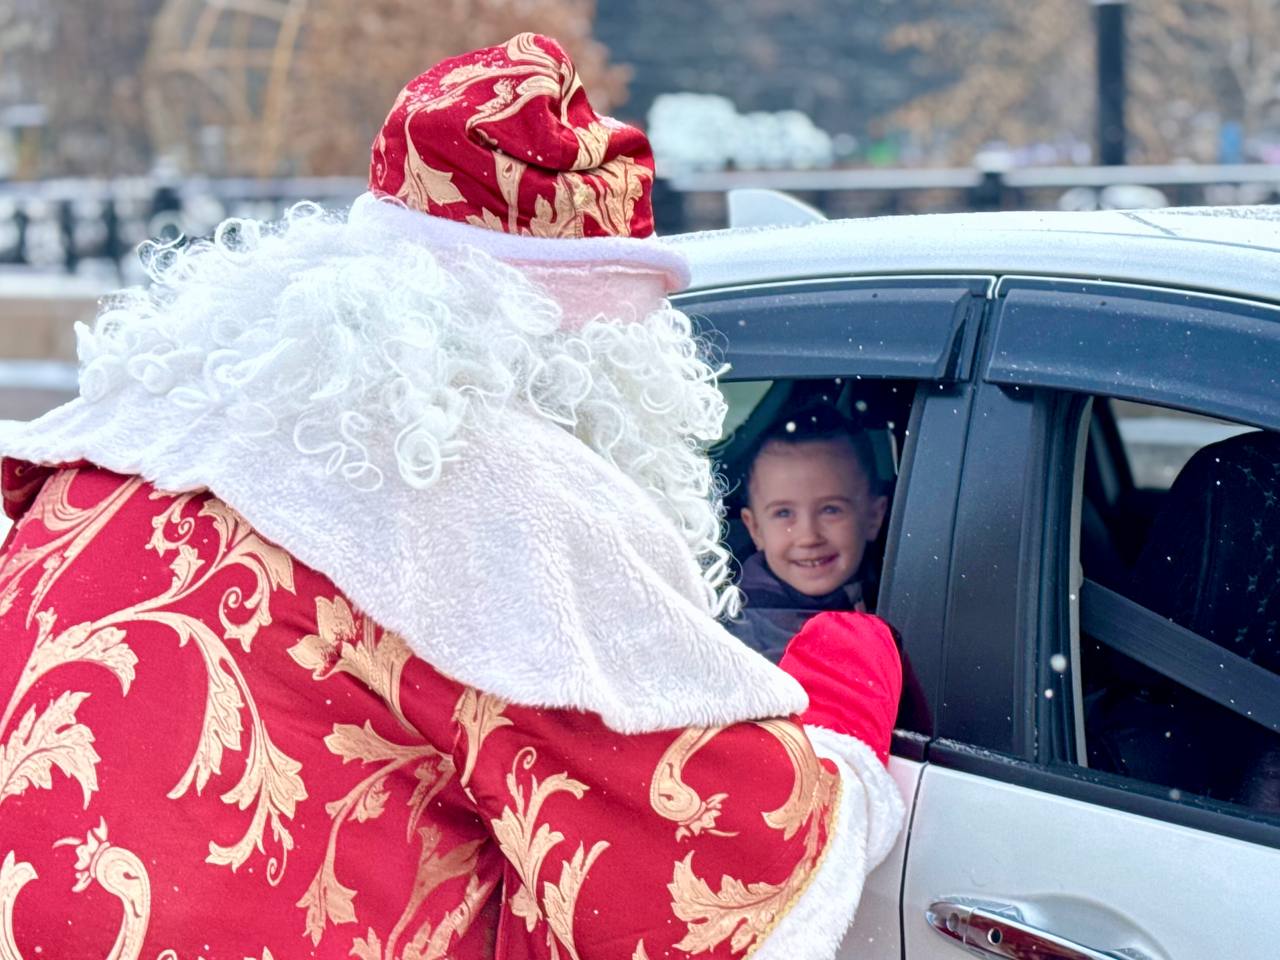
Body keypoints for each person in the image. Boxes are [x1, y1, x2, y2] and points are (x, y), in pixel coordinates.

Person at [0, 35, 903, 960]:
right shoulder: (501, 497)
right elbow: (702, 860)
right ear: (580, 336)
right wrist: (844, 754)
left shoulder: (151, 423)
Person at [729, 407, 890, 662]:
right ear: (755, 529)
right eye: (783, 513)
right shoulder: (744, 645)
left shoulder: (891, 586)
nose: (809, 536)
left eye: (830, 509)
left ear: (873, 517)